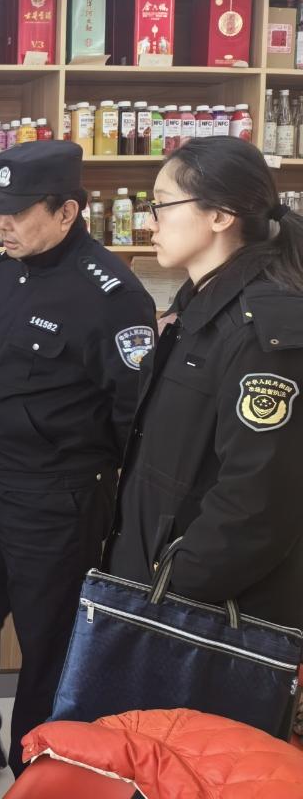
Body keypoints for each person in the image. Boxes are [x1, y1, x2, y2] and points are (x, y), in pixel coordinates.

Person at [0, 141, 157, 787]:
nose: (2, 223)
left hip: (53, 501)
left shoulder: (112, 295)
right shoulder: (4, 269)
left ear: (67, 211)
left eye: (17, 212)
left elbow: (133, 417)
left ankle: (35, 773)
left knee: (47, 646)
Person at [105, 137, 303, 633]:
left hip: (205, 614)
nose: (149, 223)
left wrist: (176, 587)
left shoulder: (263, 329)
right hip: (156, 588)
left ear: (220, 215)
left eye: (162, 205)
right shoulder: (196, 304)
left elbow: (258, 502)